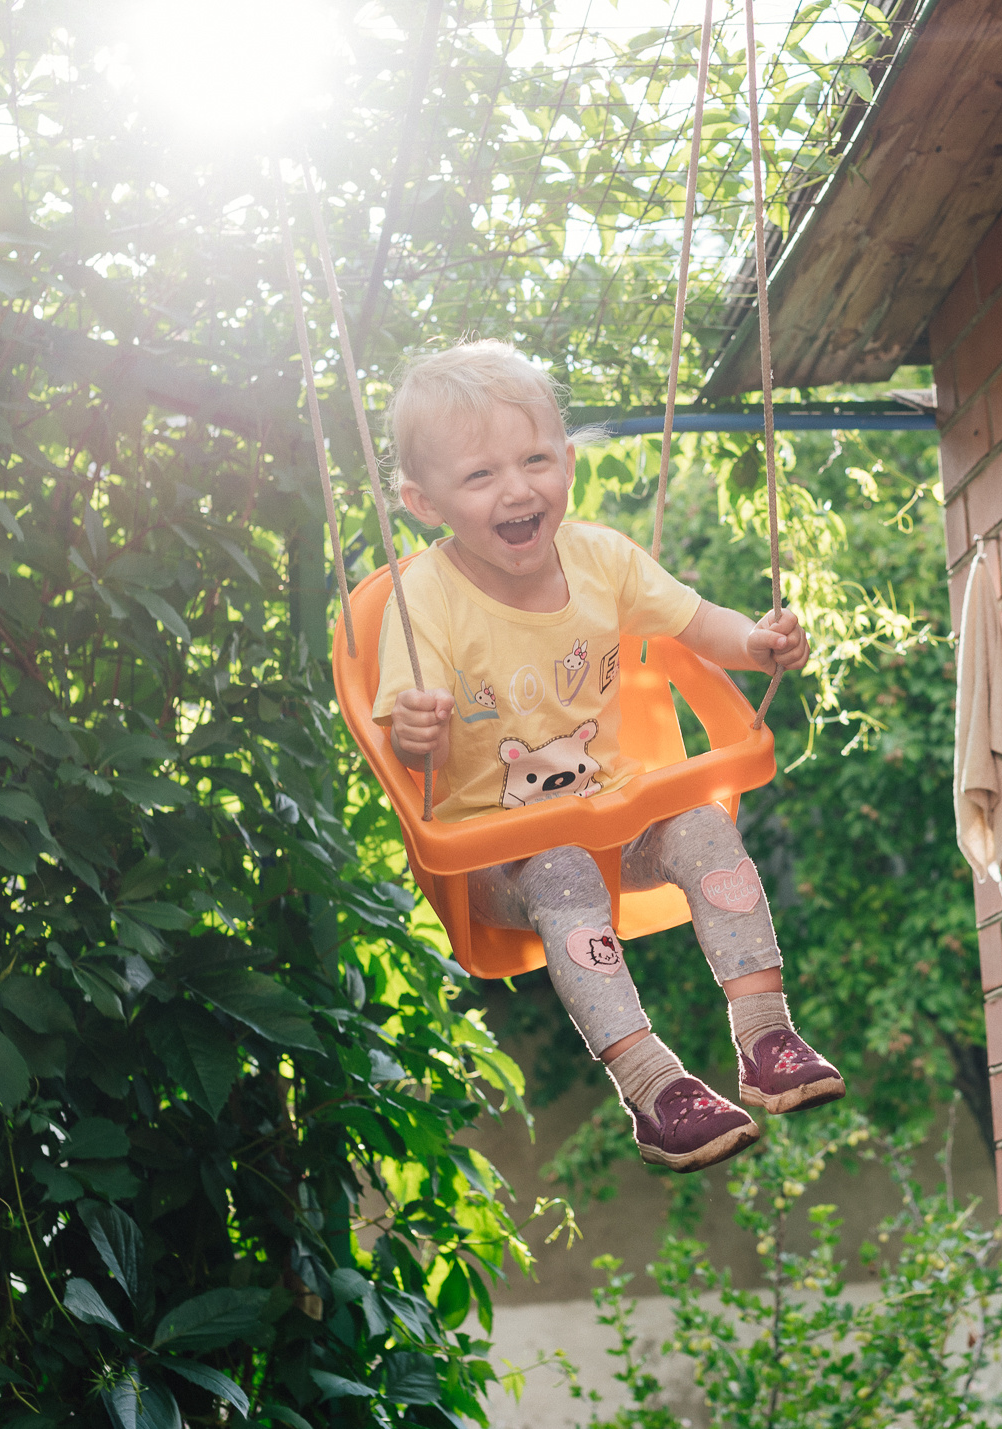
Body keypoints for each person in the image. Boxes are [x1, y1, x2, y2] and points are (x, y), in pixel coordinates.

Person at [371, 341, 845, 1173]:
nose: (517, 488)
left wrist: (758, 640)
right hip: (498, 857)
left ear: (569, 461)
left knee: (699, 822)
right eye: (481, 477)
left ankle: (767, 1036)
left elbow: (699, 624)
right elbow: (409, 743)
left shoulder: (602, 559)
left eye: (536, 459)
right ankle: (654, 1086)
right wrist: (419, 727)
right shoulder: (424, 599)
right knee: (562, 868)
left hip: (614, 815)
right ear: (423, 500)